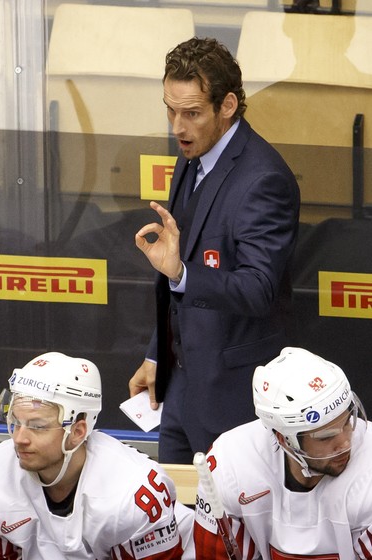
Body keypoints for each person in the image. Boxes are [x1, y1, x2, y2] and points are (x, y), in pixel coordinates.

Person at [129, 37, 300, 463]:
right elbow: (179, 277)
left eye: (191, 114)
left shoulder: (264, 179)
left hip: (231, 400)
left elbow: (259, 288)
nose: (177, 127)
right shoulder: (192, 153)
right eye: (170, 109)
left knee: (225, 525)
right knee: (172, 516)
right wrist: (158, 354)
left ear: (227, 106)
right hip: (178, 388)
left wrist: (183, 275)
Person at [0, 351, 195, 560]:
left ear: (78, 432)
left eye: (37, 426)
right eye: (15, 421)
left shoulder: (132, 493)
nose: (19, 438)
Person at [194, 347, 372, 560]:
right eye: (326, 436)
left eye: (348, 421)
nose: (345, 442)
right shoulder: (231, 461)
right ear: (284, 439)